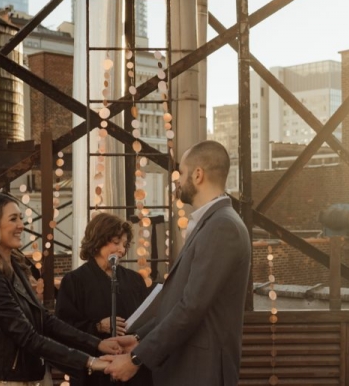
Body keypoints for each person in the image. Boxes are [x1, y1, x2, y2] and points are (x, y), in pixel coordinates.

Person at [102, 140, 251, 386]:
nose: (178, 180)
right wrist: (140, 337)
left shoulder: (222, 226)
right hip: (191, 368)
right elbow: (181, 300)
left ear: (198, 174)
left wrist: (136, 359)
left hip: (201, 371)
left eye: (181, 172)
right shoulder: (213, 222)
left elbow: (191, 307)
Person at [0, 192, 122, 386]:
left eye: (20, 218)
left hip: (33, 376)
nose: (21, 225)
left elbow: (45, 319)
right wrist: (90, 361)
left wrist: (97, 343)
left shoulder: (15, 265)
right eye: (13, 219)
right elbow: (27, 337)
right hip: (7, 381)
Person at [55, 212, 153, 386]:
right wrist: (98, 326)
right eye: (116, 243)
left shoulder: (134, 280)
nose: (122, 250)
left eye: (124, 244)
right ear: (98, 240)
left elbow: (148, 319)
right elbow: (64, 328)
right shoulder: (75, 281)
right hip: (96, 372)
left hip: (133, 370)